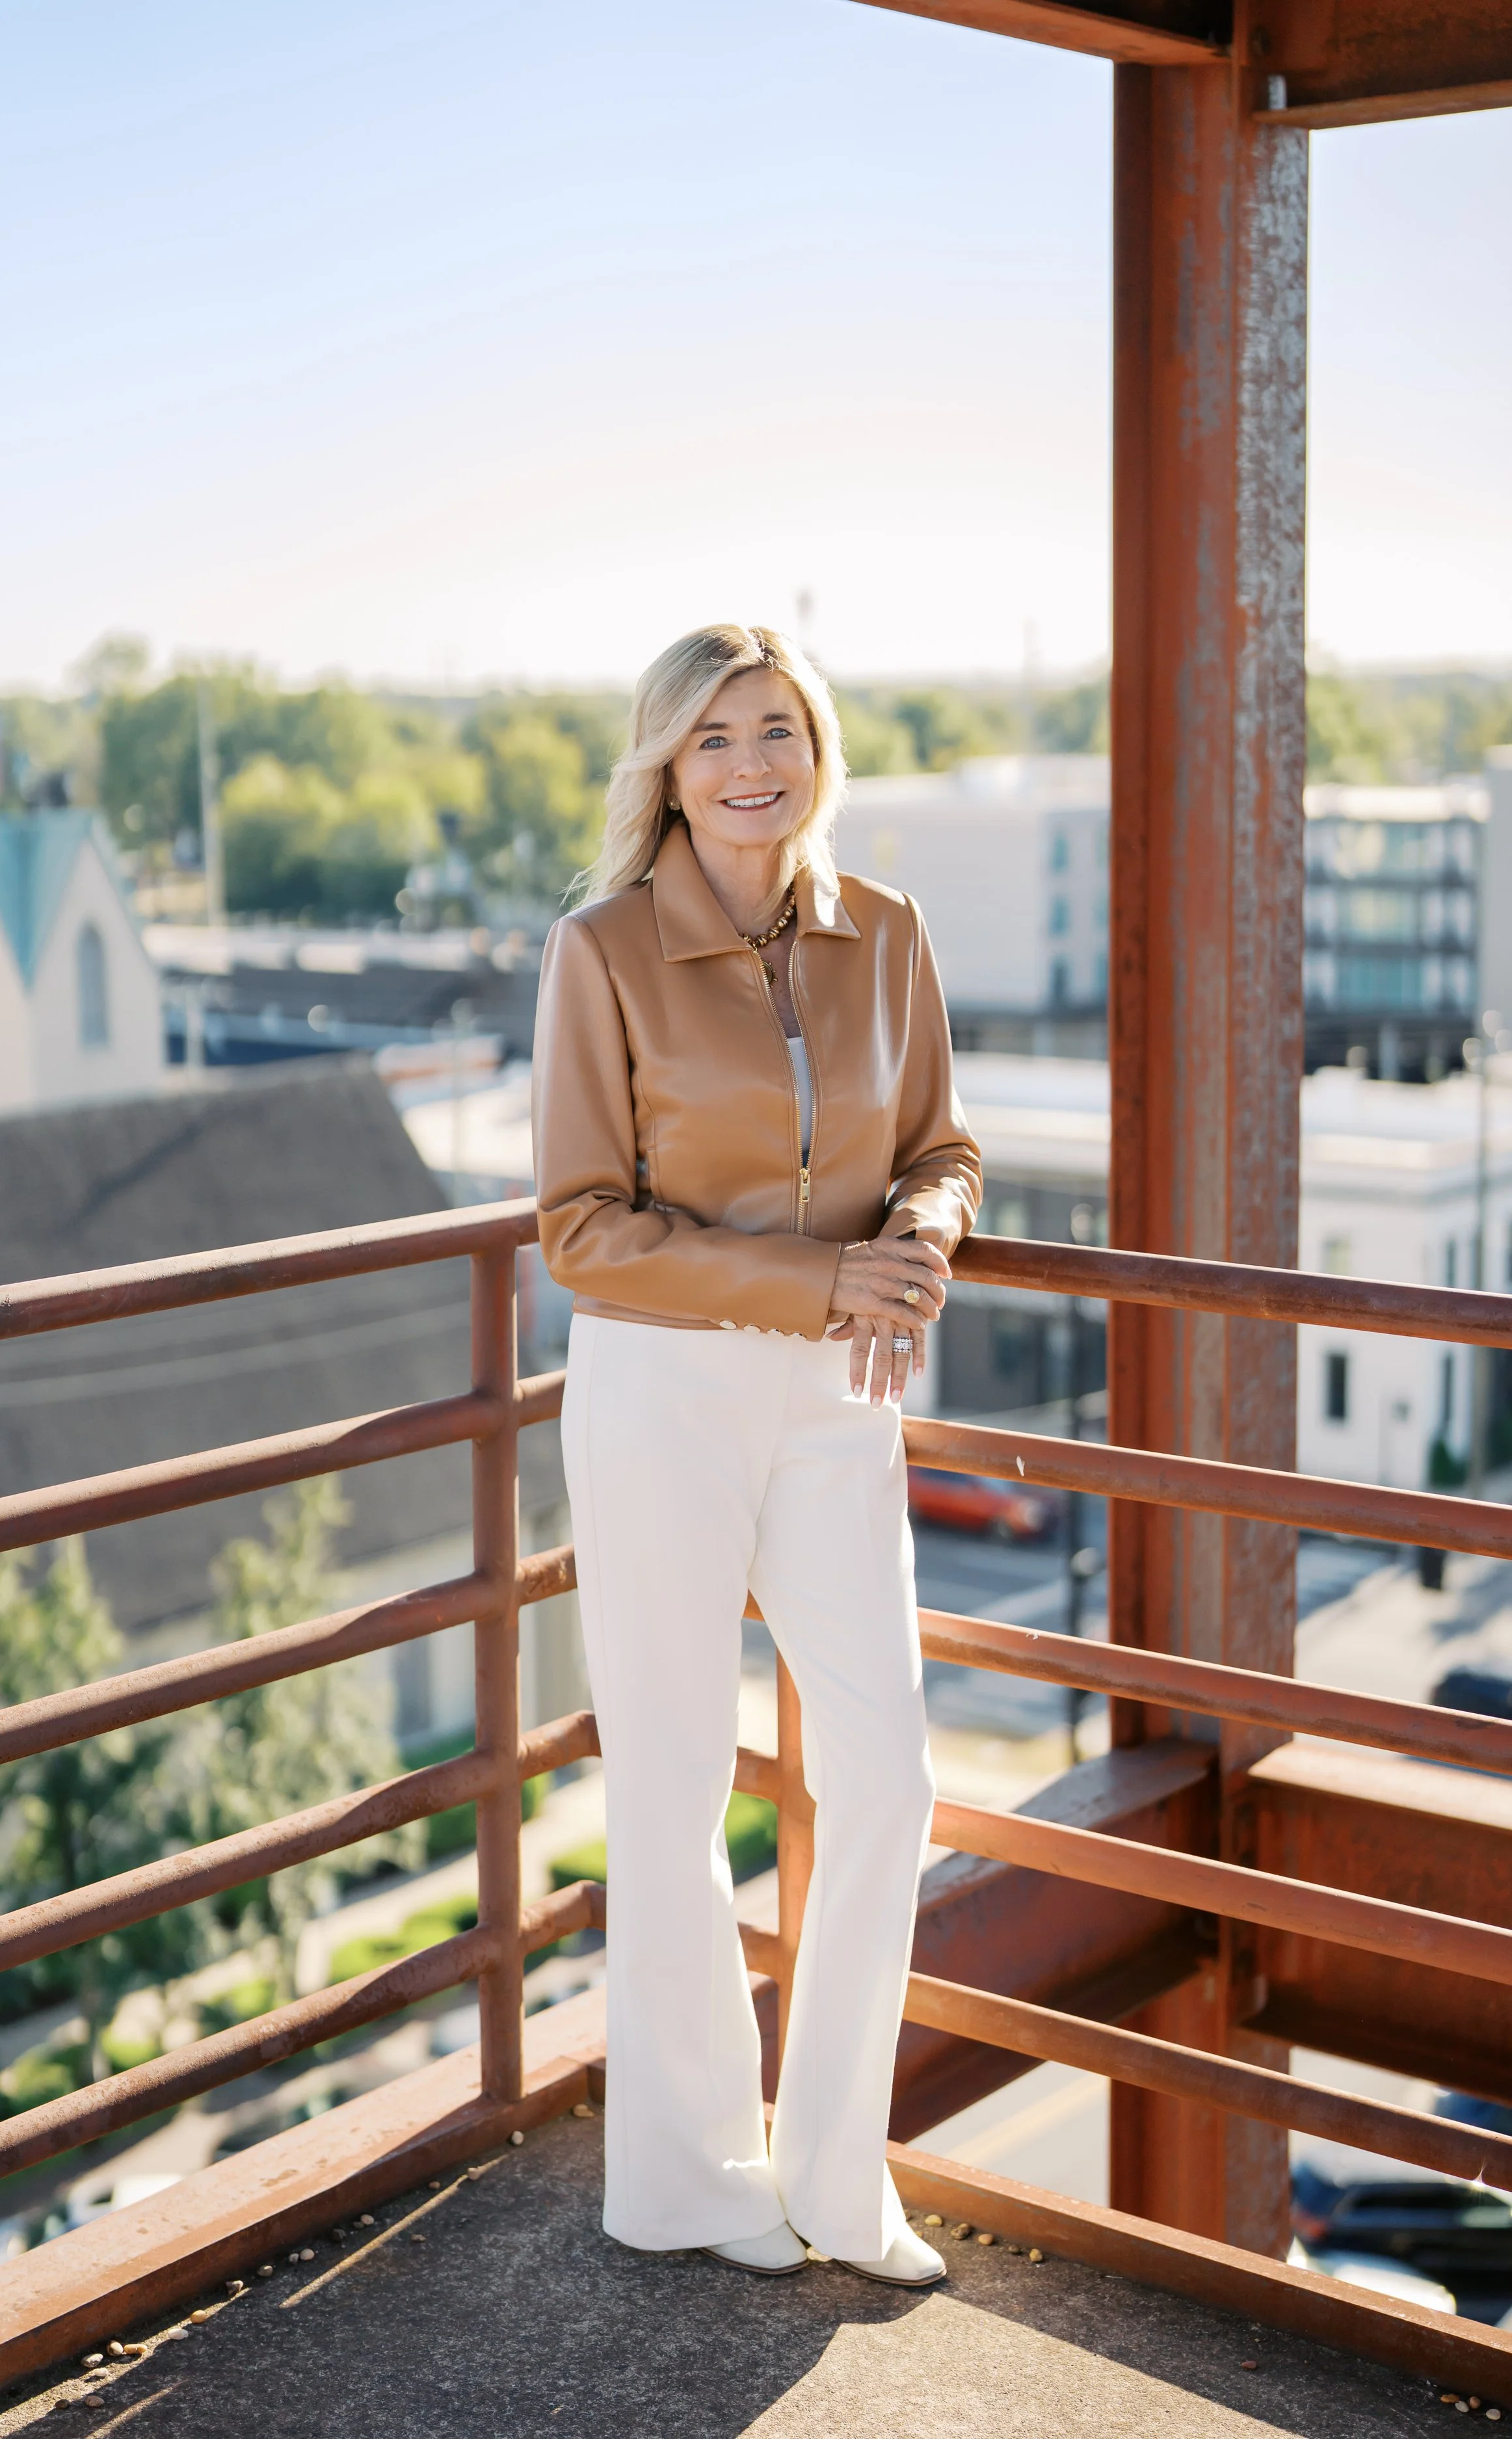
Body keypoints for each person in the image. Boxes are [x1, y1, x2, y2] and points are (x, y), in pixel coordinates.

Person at [532, 622, 981, 2286]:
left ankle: (836, 2174)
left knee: (886, 1771)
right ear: (665, 764)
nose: (747, 765)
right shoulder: (601, 951)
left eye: (776, 729)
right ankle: (685, 2180)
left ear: (818, 750)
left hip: (836, 1398)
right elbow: (579, 1230)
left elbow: (939, 1142)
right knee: (666, 1785)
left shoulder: (887, 933)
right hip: (662, 1390)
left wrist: (920, 1233)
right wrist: (817, 1277)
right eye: (712, 737)